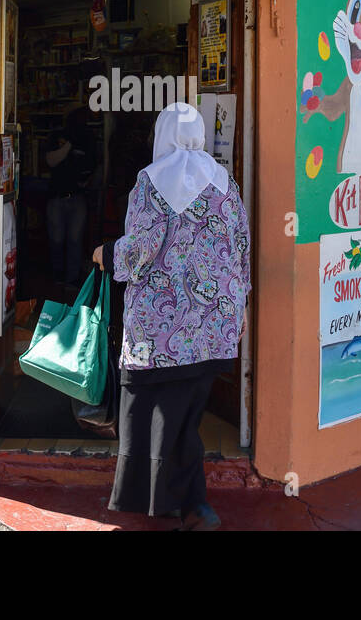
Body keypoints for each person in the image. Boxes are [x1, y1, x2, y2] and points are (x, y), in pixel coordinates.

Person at [92, 101, 250, 531]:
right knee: (184, 416)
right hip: (214, 324)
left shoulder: (150, 181)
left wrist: (106, 254)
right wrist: (241, 306)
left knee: (152, 410)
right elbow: (240, 246)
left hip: (157, 332)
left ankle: (169, 503)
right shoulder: (224, 182)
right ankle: (189, 505)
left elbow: (139, 248)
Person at [46, 106, 94, 291]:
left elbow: (94, 162)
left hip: (78, 196)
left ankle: (72, 280)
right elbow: (51, 160)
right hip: (57, 195)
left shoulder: (87, 137)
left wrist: (88, 180)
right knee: (57, 239)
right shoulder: (57, 136)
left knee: (75, 240)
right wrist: (69, 144)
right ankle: (58, 276)